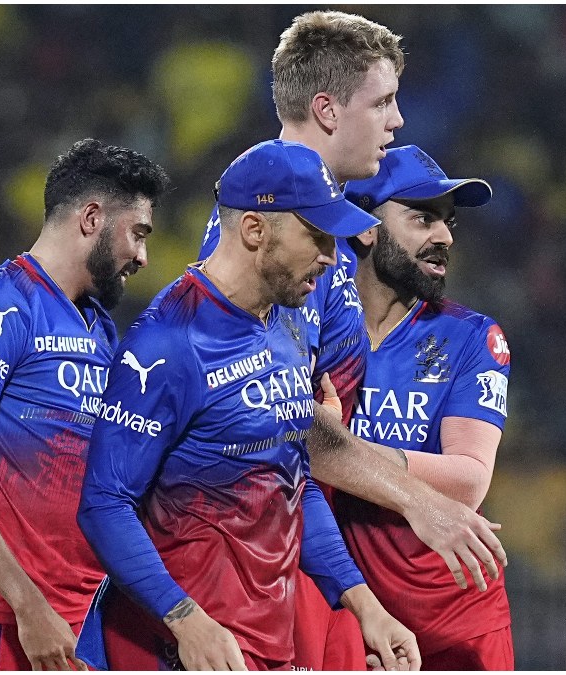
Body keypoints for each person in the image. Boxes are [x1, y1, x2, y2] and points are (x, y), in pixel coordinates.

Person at [197, 11, 506, 669]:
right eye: (383, 101)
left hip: (293, 556)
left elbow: (305, 436)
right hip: (234, 559)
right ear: (328, 110)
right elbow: (278, 420)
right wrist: (419, 499)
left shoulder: (322, 229)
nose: (397, 120)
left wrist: (358, 596)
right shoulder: (274, 223)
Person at [77, 139, 419, 671]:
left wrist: (364, 604)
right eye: (317, 236)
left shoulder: (287, 329)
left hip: (262, 647)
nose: (332, 258)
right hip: (178, 651)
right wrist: (183, 619)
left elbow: (291, 481)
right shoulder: (168, 343)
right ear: (255, 230)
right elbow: (104, 503)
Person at [0, 138, 170, 670]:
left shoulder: (99, 326)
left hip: (79, 613)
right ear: (92, 218)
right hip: (6, 617)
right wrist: (27, 604)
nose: (142, 257)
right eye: (137, 233)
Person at [331, 144, 513, 669]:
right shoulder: (314, 329)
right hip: (346, 612)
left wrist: (335, 450)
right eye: (422, 218)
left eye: (448, 222)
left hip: (456, 625)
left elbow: (469, 479)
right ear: (366, 226)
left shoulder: (473, 336)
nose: (445, 237)